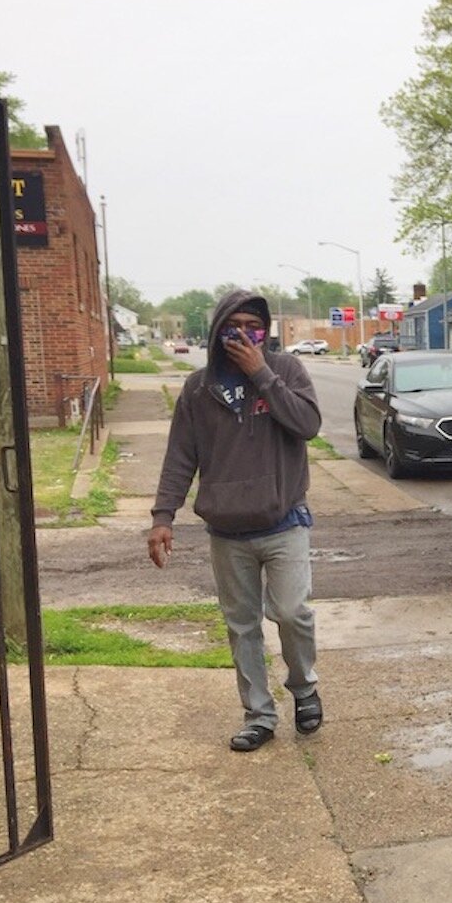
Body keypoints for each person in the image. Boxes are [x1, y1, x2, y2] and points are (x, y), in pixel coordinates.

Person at [148, 289, 324, 753]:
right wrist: (163, 516)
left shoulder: (286, 371)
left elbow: (307, 425)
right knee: (242, 626)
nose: (245, 334)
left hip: (285, 521)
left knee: (291, 612)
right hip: (227, 531)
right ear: (218, 329)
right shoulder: (199, 388)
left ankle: (304, 688)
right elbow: (179, 457)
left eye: (255, 327)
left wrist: (261, 375)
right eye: (235, 326)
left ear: (266, 332)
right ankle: (259, 715)